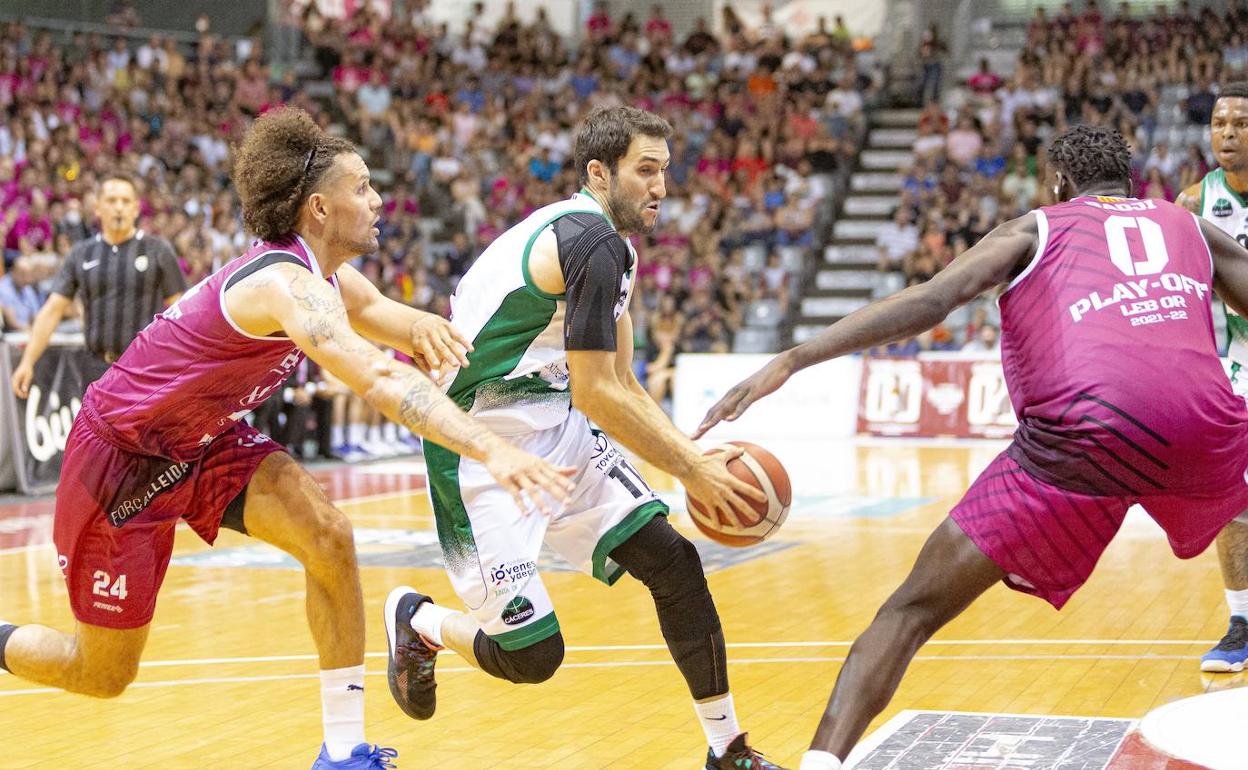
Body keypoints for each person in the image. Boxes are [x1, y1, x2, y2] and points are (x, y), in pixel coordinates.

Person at [0, 107, 575, 770]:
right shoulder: (285, 285)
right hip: (120, 461)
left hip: (203, 443)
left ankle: (343, 751)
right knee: (101, 672)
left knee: (328, 534)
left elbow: (388, 319)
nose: (378, 199)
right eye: (362, 188)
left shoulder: (330, 278)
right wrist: (491, 448)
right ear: (320, 210)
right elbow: (378, 379)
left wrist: (446, 330)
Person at [697, 125, 1248, 768]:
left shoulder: (1032, 228)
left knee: (910, 611)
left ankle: (822, 765)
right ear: (1128, 180)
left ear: (1059, 183)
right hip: (1205, 427)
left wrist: (794, 357)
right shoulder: (1192, 226)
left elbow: (933, 301)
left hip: (1080, 439)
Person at [382, 106, 784, 770]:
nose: (660, 188)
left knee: (675, 564)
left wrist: (686, 455)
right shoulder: (588, 241)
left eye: (665, 172)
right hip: (481, 451)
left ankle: (727, 749)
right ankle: (419, 621)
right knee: (533, 656)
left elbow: (619, 378)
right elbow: (600, 391)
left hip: (559, 431)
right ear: (600, 173)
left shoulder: (610, 245)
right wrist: (691, 470)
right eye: (645, 171)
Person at [1176, 81, 1248, 673]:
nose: (1227, 133)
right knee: (1234, 502)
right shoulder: (1194, 202)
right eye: (1220, 123)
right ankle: (1241, 621)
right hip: (1238, 369)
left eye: (1240, 123)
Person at [10, 176, 186, 393]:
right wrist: (27, 361)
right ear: (97, 208)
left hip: (144, 369)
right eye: (112, 201)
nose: (119, 207)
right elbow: (52, 311)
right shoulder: (81, 253)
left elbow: (180, 313)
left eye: (125, 201)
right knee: (93, 428)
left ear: (136, 208)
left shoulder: (158, 250)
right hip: (94, 370)